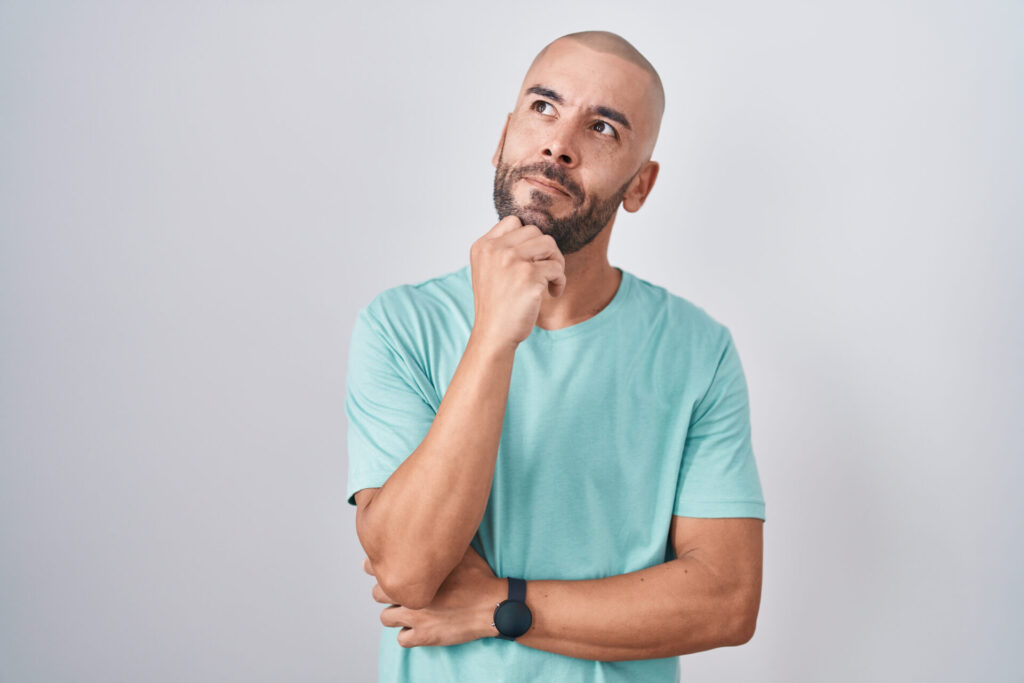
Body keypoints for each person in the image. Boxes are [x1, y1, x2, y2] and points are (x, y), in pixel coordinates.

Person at [346, 30, 765, 682]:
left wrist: (501, 605)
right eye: (544, 107)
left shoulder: (698, 352)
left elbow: (726, 600)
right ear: (503, 136)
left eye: (602, 128)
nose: (558, 145)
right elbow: (407, 567)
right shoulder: (401, 326)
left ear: (640, 186)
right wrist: (493, 337)